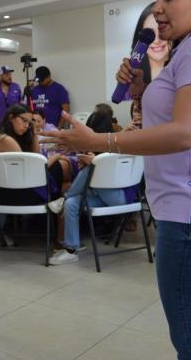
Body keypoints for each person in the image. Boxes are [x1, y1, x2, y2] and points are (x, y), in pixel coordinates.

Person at [43, 0, 191, 359]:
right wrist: (143, 88)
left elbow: (185, 133)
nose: (157, 7)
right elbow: (188, 123)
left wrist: (99, 140)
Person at [48, 111, 138, 265]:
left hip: (121, 196)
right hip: (103, 195)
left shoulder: (124, 142)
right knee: (73, 203)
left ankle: (65, 197)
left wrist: (94, 161)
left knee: (92, 167)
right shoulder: (106, 144)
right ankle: (71, 249)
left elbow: (116, 175)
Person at [0, 104, 71, 209]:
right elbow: (32, 171)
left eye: (29, 122)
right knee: (61, 169)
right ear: (11, 117)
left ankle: (59, 213)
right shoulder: (6, 140)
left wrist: (34, 132)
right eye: (24, 120)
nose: (27, 126)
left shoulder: (11, 136)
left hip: (17, 188)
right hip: (14, 193)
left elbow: (36, 157)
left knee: (66, 185)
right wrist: (57, 156)